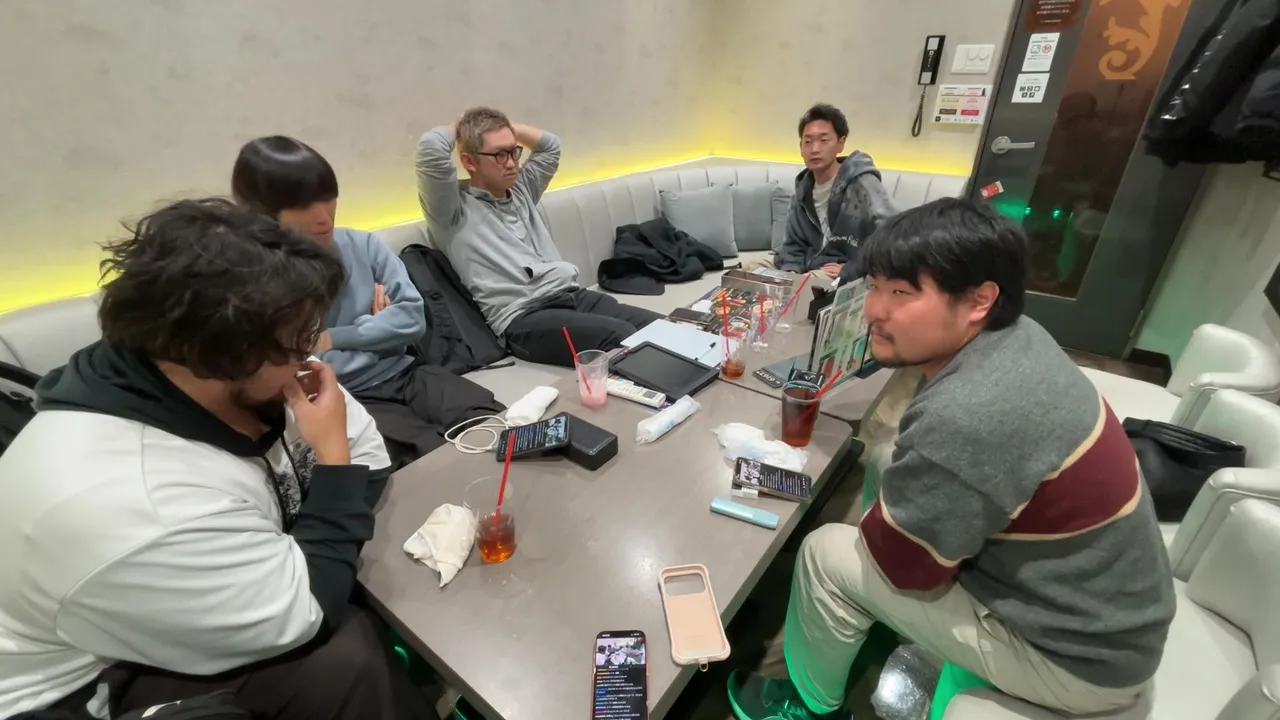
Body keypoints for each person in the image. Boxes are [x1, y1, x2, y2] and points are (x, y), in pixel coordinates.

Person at [728, 198, 1175, 719]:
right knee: (887, 458)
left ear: (980, 300)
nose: (874, 310)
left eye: (901, 293)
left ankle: (809, 707)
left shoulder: (968, 412)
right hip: (1101, 616)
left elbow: (910, 570)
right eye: (875, 286)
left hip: (1077, 660)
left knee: (825, 554)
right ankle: (869, 609)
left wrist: (892, 543)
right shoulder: (1018, 336)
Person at [0, 199, 432, 719]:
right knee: (344, 660)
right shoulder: (132, 499)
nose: (311, 356)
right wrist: (334, 464)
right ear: (224, 355)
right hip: (79, 689)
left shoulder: (234, 374)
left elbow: (371, 461)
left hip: (154, 614)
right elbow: (309, 609)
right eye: (300, 340)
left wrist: (335, 474)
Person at [233, 136, 504, 469]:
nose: (324, 215)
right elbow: (300, 360)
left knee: (494, 422)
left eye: (328, 197)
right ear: (265, 211)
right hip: (346, 395)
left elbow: (412, 320)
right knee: (433, 458)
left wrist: (333, 337)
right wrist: (377, 328)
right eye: (303, 205)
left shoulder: (363, 244)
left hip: (406, 371)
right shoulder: (259, 276)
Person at [416, 107, 663, 367]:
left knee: (662, 328)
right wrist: (461, 127)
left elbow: (550, 147)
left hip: (571, 296)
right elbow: (431, 150)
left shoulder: (521, 189)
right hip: (523, 317)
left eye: (513, 151)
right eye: (499, 155)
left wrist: (506, 127)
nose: (511, 163)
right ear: (469, 162)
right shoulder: (451, 210)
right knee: (621, 337)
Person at [774, 103, 897, 279]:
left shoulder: (862, 183)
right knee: (750, 271)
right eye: (808, 142)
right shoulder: (802, 193)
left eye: (824, 140)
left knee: (807, 282)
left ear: (841, 143)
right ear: (801, 147)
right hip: (807, 268)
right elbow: (793, 246)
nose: (815, 149)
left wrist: (853, 268)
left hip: (845, 273)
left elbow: (893, 234)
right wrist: (789, 272)